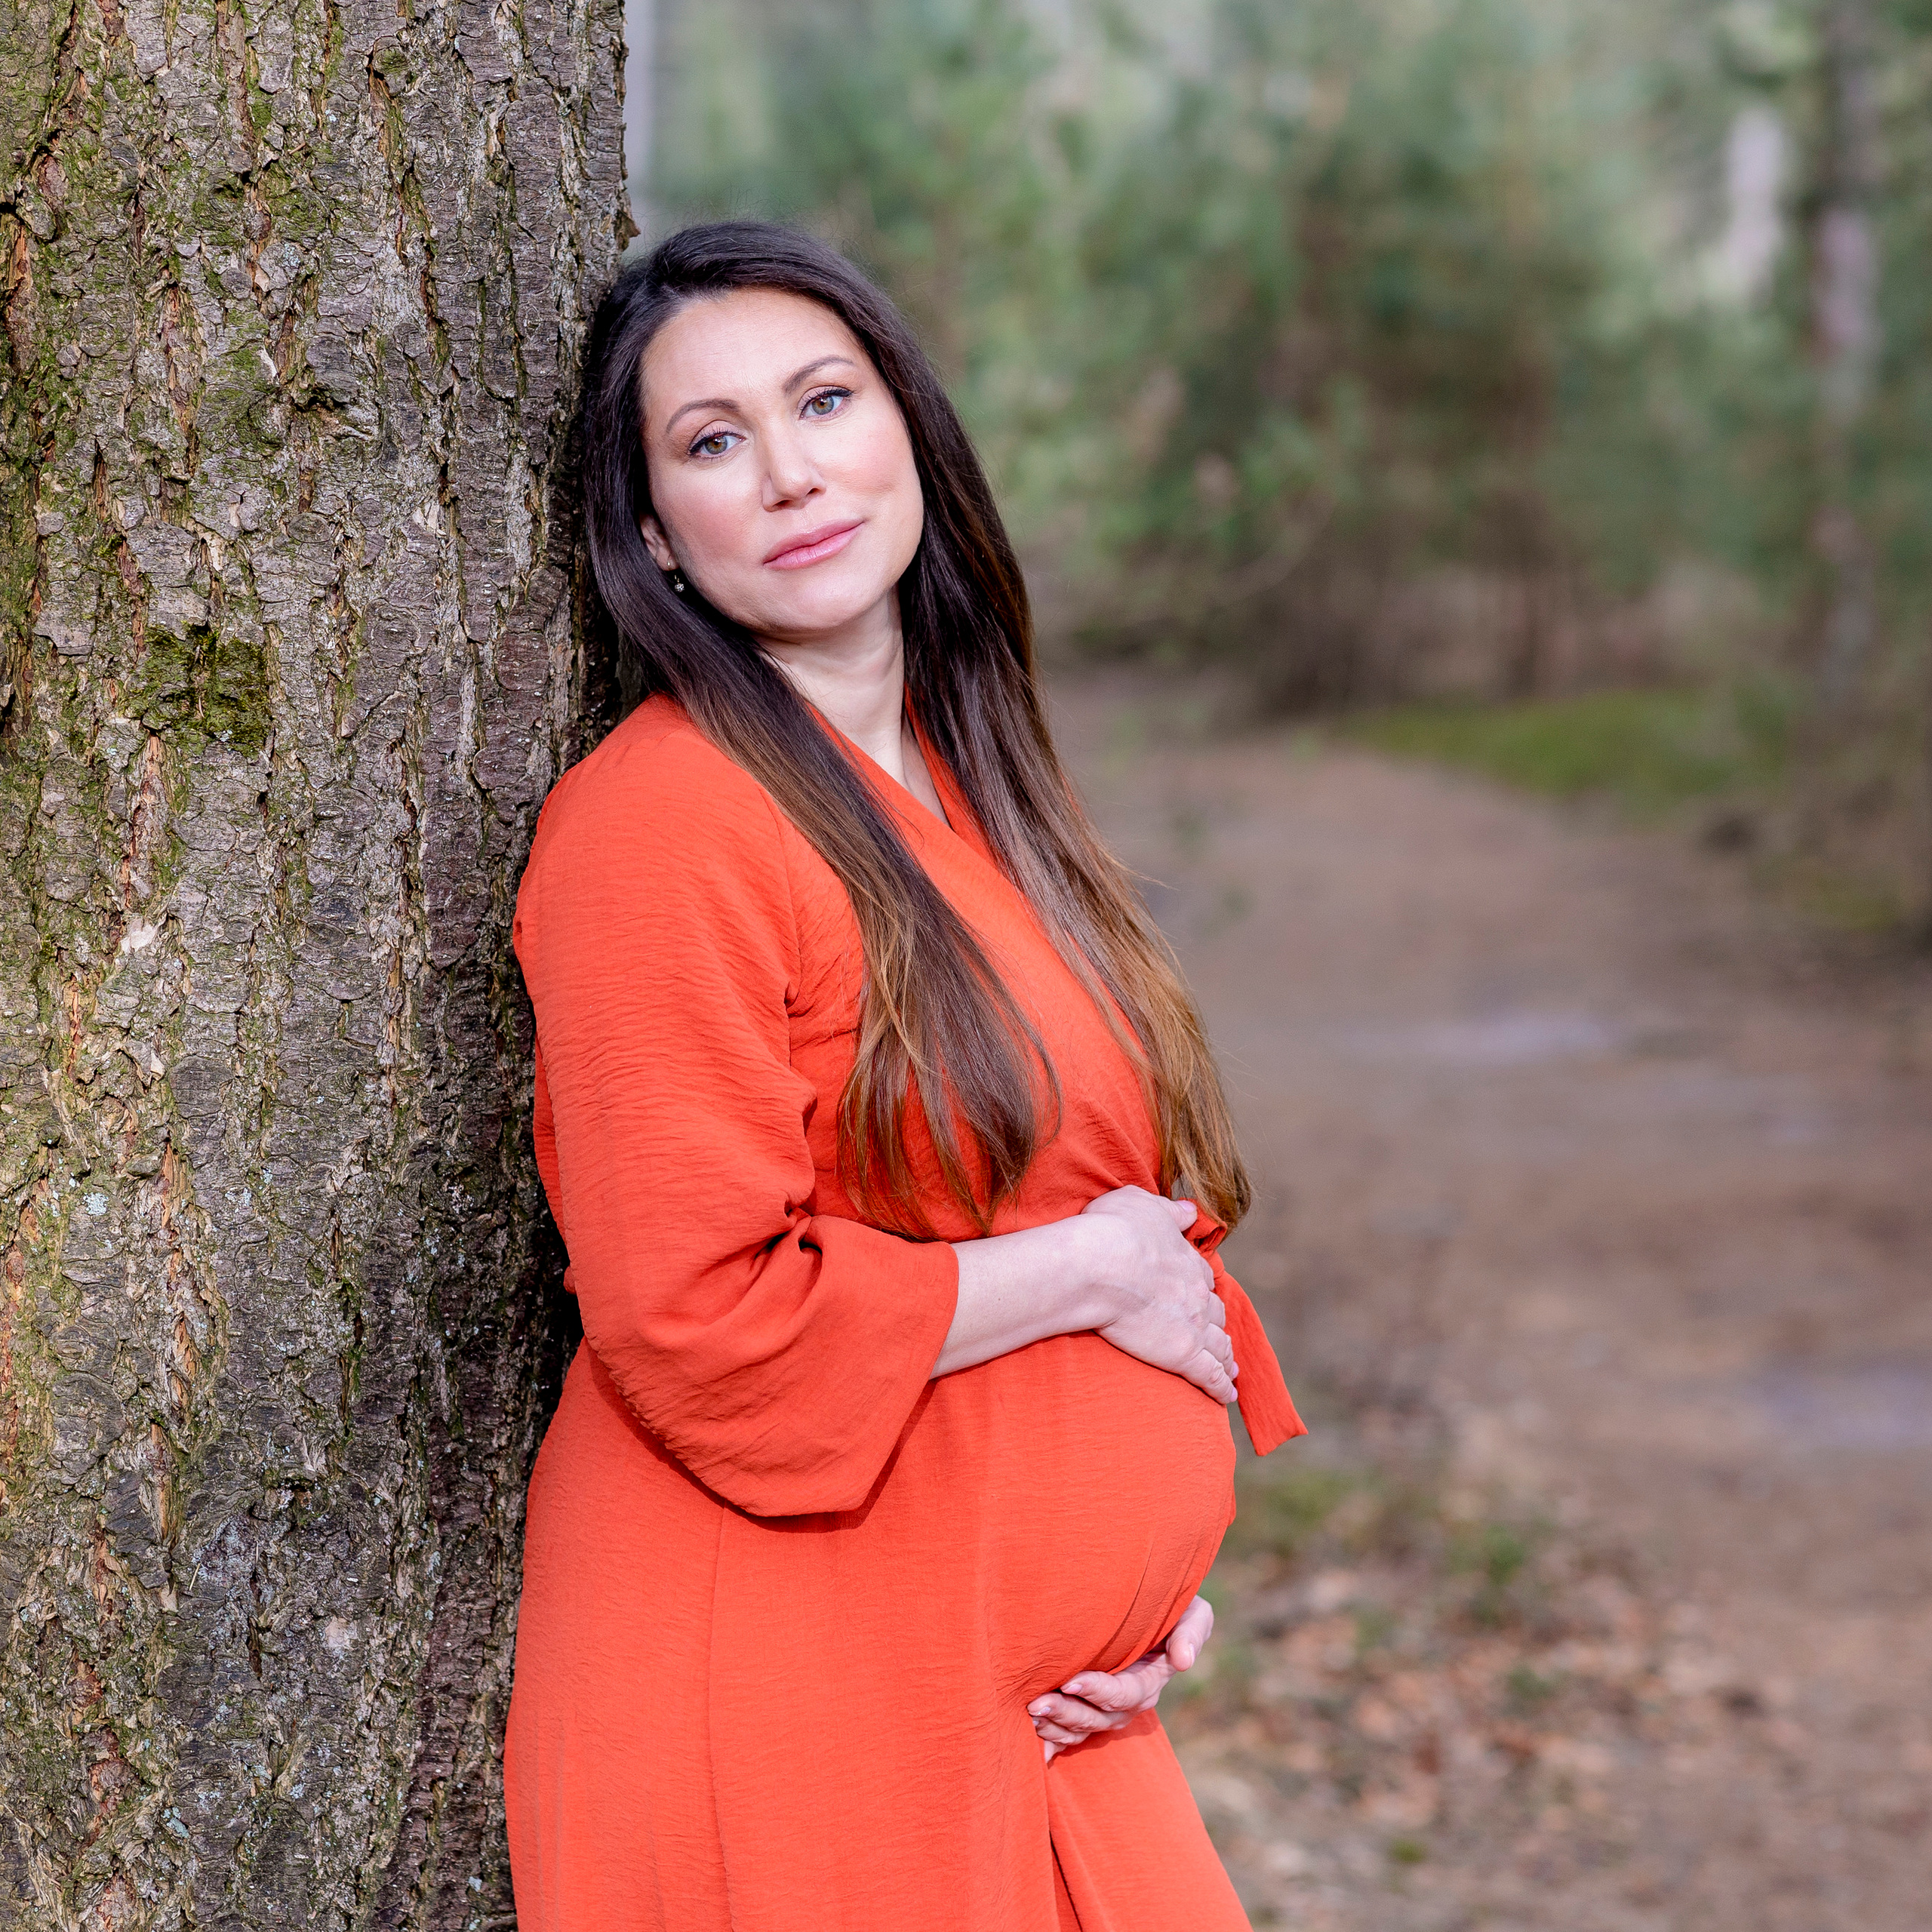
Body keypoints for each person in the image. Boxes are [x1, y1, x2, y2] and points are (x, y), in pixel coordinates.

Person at [504, 220, 1305, 1932]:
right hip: (796, 1681)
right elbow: (697, 1309)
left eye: (823, 399)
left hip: (1037, 1705)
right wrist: (1081, 1273)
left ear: (907, 431)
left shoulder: (974, 782)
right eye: (712, 441)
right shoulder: (664, 826)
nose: (789, 471)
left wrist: (1144, 1582)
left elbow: (1107, 1187)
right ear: (654, 530)